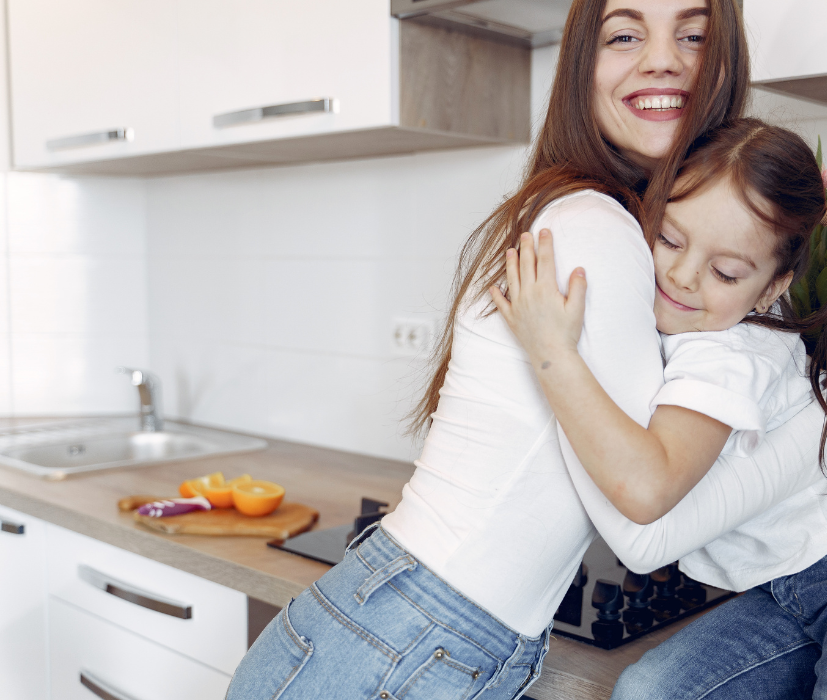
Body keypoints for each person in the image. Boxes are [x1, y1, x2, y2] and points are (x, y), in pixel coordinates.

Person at [225, 1, 764, 698]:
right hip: (409, 640)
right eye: (626, 35)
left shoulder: (594, 218)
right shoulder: (595, 229)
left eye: (693, 35)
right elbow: (644, 498)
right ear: (580, 69)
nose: (664, 57)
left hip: (408, 630)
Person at [493, 119, 827, 699]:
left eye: (725, 272)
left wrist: (550, 351)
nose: (683, 275)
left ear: (771, 289)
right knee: (647, 692)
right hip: (782, 583)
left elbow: (647, 487)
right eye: (669, 238)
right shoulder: (663, 328)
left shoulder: (728, 351)